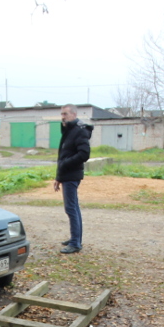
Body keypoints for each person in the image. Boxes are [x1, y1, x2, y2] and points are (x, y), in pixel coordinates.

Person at [53, 104, 92, 254]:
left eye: (65, 114)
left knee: (71, 208)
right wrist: (58, 177)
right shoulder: (68, 131)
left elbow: (84, 154)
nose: (63, 117)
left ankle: (75, 243)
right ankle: (75, 238)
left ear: (74, 115)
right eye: (62, 114)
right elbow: (62, 156)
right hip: (67, 175)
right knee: (73, 207)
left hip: (72, 175)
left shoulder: (79, 132)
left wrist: (65, 165)